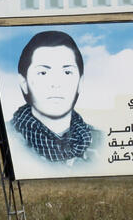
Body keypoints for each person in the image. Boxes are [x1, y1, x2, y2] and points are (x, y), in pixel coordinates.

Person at [7, 30, 101, 166]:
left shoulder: (101, 141)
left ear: (80, 82)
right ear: (24, 83)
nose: (56, 84)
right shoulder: (8, 137)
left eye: (67, 72)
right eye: (43, 73)